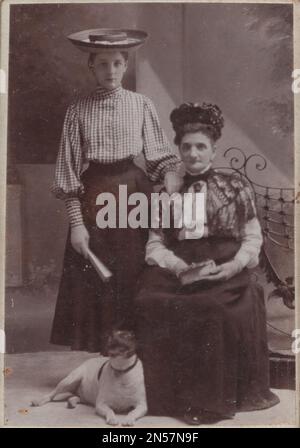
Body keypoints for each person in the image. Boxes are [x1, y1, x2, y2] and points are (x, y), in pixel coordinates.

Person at [134, 102, 280, 424]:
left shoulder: (235, 187)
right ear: (179, 151)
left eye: (201, 147)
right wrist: (177, 267)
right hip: (183, 268)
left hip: (227, 269)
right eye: (187, 147)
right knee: (149, 299)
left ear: (213, 150)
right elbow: (156, 243)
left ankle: (206, 403)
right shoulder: (166, 193)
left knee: (212, 307)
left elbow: (252, 237)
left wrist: (233, 266)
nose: (193, 154)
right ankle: (164, 399)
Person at [50, 29, 182, 352]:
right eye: (103, 64)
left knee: (134, 269)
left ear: (126, 67)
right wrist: (77, 225)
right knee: (97, 275)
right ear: (91, 67)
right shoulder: (78, 109)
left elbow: (160, 157)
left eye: (117, 64)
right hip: (95, 197)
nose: (111, 71)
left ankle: (136, 353)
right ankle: (103, 356)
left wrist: (171, 190)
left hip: (135, 193)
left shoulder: (141, 104)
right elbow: (68, 172)